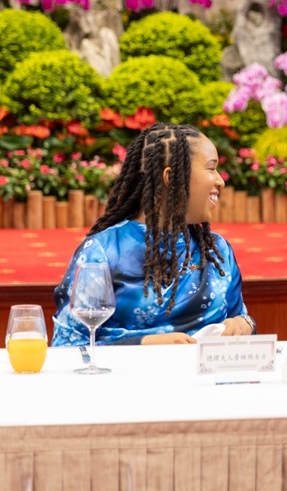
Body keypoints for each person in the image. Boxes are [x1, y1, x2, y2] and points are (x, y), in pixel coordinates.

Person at [52, 123, 256, 346]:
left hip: (208, 378)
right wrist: (144, 344)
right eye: (210, 168)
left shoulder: (218, 251)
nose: (220, 180)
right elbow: (67, 345)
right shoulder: (104, 250)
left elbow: (238, 321)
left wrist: (244, 323)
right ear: (171, 176)